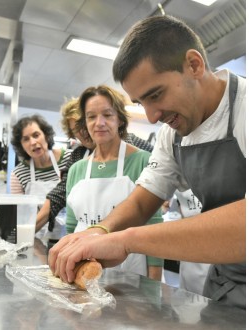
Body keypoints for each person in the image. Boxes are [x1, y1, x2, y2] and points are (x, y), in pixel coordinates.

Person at [48, 15, 246, 309]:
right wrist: (100, 231)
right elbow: (142, 202)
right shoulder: (172, 135)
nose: (152, 116)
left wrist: (127, 241)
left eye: (156, 94)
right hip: (227, 284)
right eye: (142, 103)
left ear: (194, 65)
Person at [66, 85, 163, 279]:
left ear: (119, 119)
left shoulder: (142, 161)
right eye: (91, 116)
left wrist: (153, 286)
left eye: (107, 115)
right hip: (85, 272)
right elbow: (71, 228)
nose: (99, 123)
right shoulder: (77, 169)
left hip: (131, 272)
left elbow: (153, 227)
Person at [36, 97, 154, 234]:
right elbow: (60, 194)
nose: (84, 133)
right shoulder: (78, 156)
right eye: (77, 131)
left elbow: (161, 170)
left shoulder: (134, 146)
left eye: (83, 127)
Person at [10, 114, 72, 240]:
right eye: (26, 139)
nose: (33, 142)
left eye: (36, 135)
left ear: (46, 135)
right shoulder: (19, 173)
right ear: (21, 145)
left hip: (71, 235)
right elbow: (20, 215)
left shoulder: (69, 159)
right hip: (36, 237)